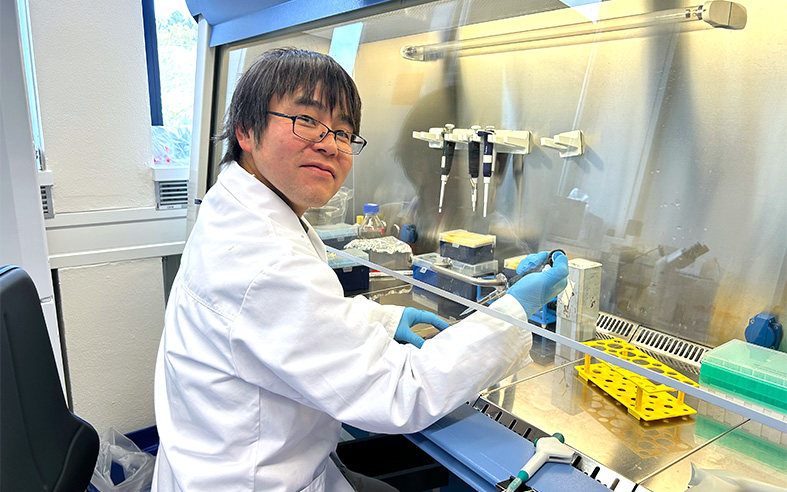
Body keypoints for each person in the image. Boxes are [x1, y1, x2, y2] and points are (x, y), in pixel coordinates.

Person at [152, 48, 568, 492]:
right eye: (306, 119)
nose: (329, 144)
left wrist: (384, 319)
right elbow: (403, 392)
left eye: (343, 132)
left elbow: (304, 316)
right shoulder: (263, 260)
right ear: (246, 131)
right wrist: (513, 312)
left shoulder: (240, 209)